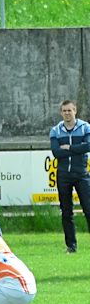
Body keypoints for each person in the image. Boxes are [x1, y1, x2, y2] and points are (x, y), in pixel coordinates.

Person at [49, 99, 90, 253]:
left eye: (69, 110)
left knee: (88, 209)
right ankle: (71, 246)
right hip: (63, 175)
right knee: (66, 212)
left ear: (75, 111)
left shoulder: (85, 127)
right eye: (64, 111)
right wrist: (77, 149)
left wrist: (69, 147)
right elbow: (56, 152)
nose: (67, 113)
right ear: (61, 112)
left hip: (81, 174)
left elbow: (89, 146)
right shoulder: (56, 130)